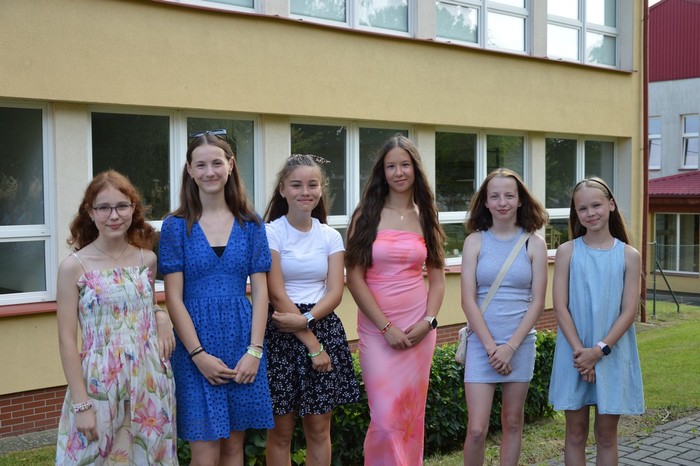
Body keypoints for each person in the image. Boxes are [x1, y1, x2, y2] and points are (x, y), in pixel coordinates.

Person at [159, 130, 273, 465]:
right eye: (201, 165)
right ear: (190, 170)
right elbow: (173, 298)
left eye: (216, 163)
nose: (209, 172)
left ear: (230, 165)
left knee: (234, 447)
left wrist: (254, 351)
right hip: (195, 346)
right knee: (205, 451)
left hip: (242, 343)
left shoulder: (251, 223)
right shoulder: (175, 226)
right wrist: (198, 355)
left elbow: (261, 292)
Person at [55, 170, 177, 465]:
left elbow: (145, 306)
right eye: (104, 207)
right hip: (99, 381)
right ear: (90, 212)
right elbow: (66, 340)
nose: (114, 215)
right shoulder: (73, 267)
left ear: (133, 208)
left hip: (149, 379)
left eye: (122, 206)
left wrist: (161, 316)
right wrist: (82, 404)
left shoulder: (147, 259)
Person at [345, 134, 446, 465]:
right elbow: (354, 277)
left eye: (405, 165)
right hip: (378, 330)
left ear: (415, 169)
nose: (399, 172)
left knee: (409, 419)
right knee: (386, 420)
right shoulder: (366, 214)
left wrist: (429, 322)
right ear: (382, 171)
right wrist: (385, 327)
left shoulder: (426, 215)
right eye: (391, 166)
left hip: (419, 328)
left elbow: (437, 278)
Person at [263, 154, 360, 466]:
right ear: (282, 189)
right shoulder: (271, 232)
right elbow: (276, 293)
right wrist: (312, 344)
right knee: (281, 431)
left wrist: (305, 320)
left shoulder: (330, 236)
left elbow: (335, 292)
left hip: (321, 324)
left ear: (321, 190)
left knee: (319, 429)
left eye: (312, 185)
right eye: (296, 185)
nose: (305, 192)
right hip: (281, 330)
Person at [548, 177, 644, 466]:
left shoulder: (629, 255)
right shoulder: (567, 252)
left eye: (596, 205)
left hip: (611, 354)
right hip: (574, 355)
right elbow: (560, 307)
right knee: (575, 433)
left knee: (606, 435)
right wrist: (582, 354)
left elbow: (628, 311)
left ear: (611, 205)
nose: (590, 213)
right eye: (582, 208)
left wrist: (598, 351)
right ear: (576, 213)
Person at [460, 168, 549, 466]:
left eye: (509, 195)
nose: (502, 202)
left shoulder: (534, 243)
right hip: (481, 345)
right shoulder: (475, 242)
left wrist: (509, 347)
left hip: (519, 345)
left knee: (512, 422)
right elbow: (468, 300)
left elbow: (538, 303)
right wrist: (491, 348)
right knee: (476, 429)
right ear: (485, 202)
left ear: (520, 200)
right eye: (495, 196)